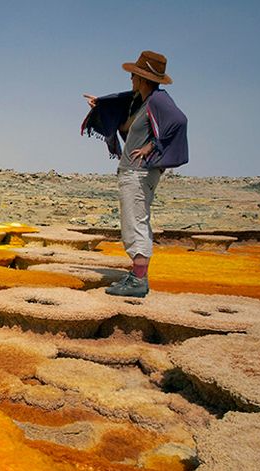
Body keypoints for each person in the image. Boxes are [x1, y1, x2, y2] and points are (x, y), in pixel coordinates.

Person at [81, 50, 188, 297]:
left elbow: (179, 122)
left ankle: (138, 282)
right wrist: (101, 107)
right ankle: (138, 276)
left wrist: (152, 147)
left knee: (135, 223)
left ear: (143, 78)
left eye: (134, 75)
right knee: (135, 222)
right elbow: (124, 124)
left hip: (139, 173)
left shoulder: (159, 101)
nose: (130, 79)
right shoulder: (142, 103)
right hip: (133, 172)